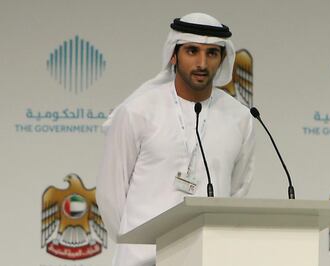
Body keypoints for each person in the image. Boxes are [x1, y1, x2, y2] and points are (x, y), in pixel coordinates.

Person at [96, 12, 255, 266]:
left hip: (208, 257)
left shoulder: (240, 118)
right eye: (192, 51)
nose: (202, 63)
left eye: (212, 53)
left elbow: (236, 192)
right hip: (143, 259)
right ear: (174, 54)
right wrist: (136, 246)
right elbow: (110, 195)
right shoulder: (138, 111)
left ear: (223, 59)